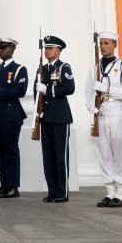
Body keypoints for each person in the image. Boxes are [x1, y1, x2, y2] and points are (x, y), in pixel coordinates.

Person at [84, 31, 122, 207]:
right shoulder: (94, 67)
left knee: (119, 153)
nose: (103, 46)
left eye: (107, 43)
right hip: (100, 112)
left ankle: (121, 192)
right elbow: (88, 90)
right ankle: (110, 190)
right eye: (101, 43)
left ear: (114, 45)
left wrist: (106, 89)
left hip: (116, 111)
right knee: (103, 152)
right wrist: (90, 105)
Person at [0, 38, 28, 198]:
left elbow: (20, 91)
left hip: (11, 115)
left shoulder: (19, 69)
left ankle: (13, 186)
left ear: (12, 49)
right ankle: (4, 184)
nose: (1, 51)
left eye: (4, 48)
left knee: (10, 150)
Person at [35, 35, 74, 203]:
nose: (47, 50)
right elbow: (37, 91)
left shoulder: (64, 67)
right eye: (46, 48)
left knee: (60, 156)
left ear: (59, 50)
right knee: (48, 157)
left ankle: (62, 192)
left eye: (50, 48)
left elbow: (69, 87)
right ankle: (52, 190)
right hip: (46, 117)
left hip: (60, 117)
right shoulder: (42, 69)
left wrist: (48, 89)